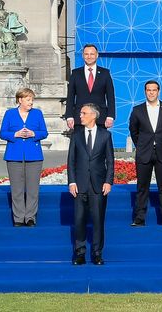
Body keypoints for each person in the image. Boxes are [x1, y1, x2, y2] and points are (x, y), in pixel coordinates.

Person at [66, 103, 114, 265]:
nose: (81, 116)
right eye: (80, 113)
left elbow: (110, 161)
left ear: (94, 115)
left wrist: (108, 182)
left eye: (84, 113)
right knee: (79, 219)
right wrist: (72, 181)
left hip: (98, 185)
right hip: (79, 185)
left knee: (98, 220)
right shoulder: (76, 135)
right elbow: (71, 161)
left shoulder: (105, 135)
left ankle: (97, 253)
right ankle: (79, 253)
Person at [128, 79, 162, 226]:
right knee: (142, 187)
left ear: (158, 91)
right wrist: (142, 145)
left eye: (154, 90)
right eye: (148, 90)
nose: (151, 92)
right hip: (144, 153)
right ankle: (139, 218)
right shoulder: (137, 110)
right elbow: (133, 131)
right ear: (145, 92)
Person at [0, 87, 49, 226]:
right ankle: (18, 218)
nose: (31, 102)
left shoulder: (37, 113)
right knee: (17, 189)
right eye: (28, 100)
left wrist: (34, 134)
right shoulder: (10, 114)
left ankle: (30, 217)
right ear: (20, 100)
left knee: (33, 189)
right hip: (14, 155)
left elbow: (44, 132)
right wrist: (14, 134)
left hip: (34, 156)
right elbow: (2, 133)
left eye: (32, 100)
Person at [65, 43, 115, 130]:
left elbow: (110, 97)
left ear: (97, 55)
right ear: (83, 55)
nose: (89, 56)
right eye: (86, 54)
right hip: (80, 118)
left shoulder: (105, 73)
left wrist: (110, 116)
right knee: (80, 143)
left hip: (100, 118)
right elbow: (70, 97)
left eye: (92, 54)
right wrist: (69, 116)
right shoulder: (75, 73)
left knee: (99, 143)